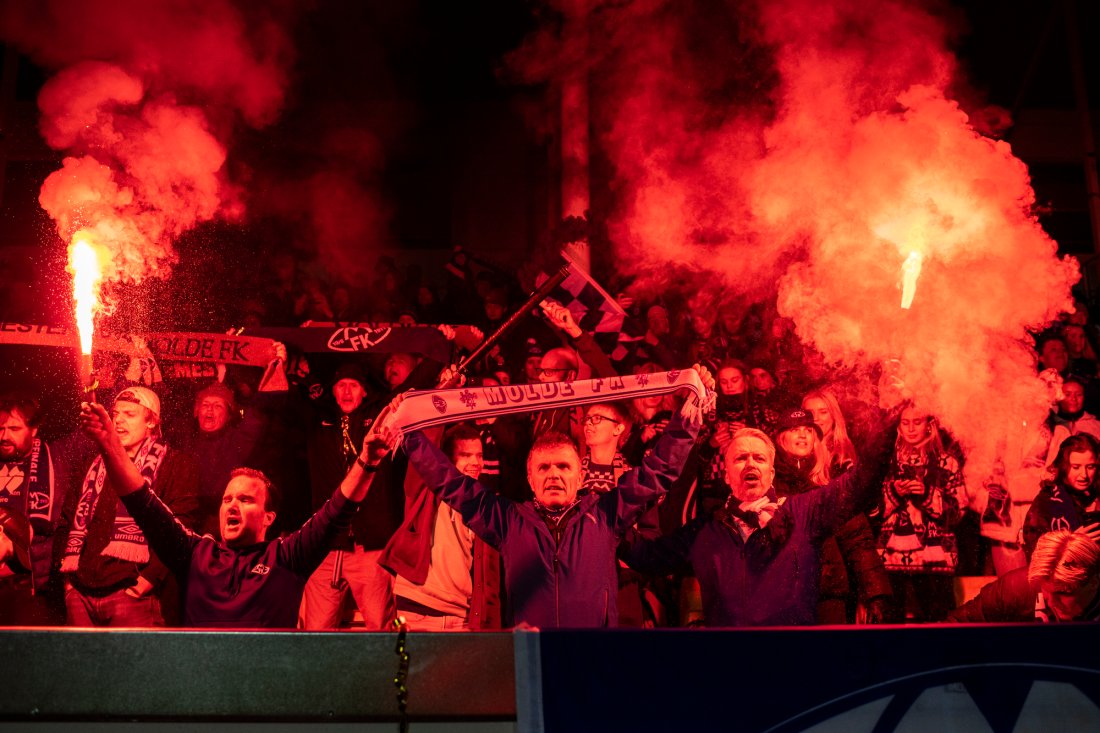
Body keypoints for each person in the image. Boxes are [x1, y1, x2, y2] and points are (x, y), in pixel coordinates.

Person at [387, 365, 711, 628]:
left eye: (563, 466)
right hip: (533, 661)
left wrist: (688, 414)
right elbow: (449, 482)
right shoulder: (507, 521)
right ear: (530, 478)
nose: (553, 474)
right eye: (543, 468)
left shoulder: (607, 514)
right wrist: (410, 434)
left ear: (580, 475)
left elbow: (658, 472)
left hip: (595, 662)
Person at [76, 400, 388, 628]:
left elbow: (336, 512)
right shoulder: (195, 554)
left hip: (262, 696)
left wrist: (367, 462)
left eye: (245, 499)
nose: (232, 505)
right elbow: (142, 502)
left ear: (268, 517)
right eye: (227, 499)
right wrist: (109, 444)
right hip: (203, 694)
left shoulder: (287, 557)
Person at [623, 417, 893, 627]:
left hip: (794, 664)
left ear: (771, 472)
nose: (751, 463)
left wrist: (888, 419)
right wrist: (606, 515)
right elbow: (648, 556)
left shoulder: (802, 513)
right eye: (741, 458)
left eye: (759, 458)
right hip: (732, 667)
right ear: (726, 475)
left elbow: (860, 484)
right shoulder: (705, 530)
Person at [58, 387, 202, 627]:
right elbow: (67, 517)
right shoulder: (93, 464)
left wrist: (149, 579)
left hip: (134, 593)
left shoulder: (176, 464)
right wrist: (69, 584)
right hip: (82, 593)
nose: (119, 420)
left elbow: (182, 527)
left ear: (151, 422)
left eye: (130, 414)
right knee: (81, 664)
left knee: (133, 664)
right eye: (116, 413)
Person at [771, 407, 891, 624]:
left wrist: (876, 594)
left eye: (808, 430)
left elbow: (857, 539)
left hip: (828, 595)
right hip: (782, 595)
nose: (802, 434)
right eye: (795, 429)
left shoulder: (829, 481)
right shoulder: (769, 485)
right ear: (781, 439)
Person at [383, 424, 501, 630]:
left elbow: (489, 581)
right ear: (445, 459)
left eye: (479, 455)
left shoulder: (484, 506)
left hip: (461, 617)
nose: (475, 462)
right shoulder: (425, 489)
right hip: (416, 611)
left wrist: (490, 628)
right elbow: (424, 447)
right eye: (465, 455)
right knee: (412, 664)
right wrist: (443, 394)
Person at [874, 403, 966, 622]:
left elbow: (959, 511)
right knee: (889, 630)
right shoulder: (884, 463)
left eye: (917, 422)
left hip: (934, 563)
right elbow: (870, 511)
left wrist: (927, 494)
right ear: (898, 427)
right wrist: (893, 493)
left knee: (936, 626)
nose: (911, 429)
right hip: (889, 561)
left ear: (929, 425)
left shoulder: (947, 463)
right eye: (905, 423)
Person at [0, 394, 68, 624]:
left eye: (14, 428)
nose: (4, 436)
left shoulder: (56, 458)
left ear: (34, 429)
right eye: (0, 428)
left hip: (26, 587)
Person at [947, 526, 1100, 623]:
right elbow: (951, 627)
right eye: (1045, 590)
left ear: (1094, 582)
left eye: (1063, 593)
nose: (1052, 603)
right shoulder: (1019, 586)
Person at [1023, 434, 1100, 556]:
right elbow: (1034, 547)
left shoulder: (1096, 496)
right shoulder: (1047, 500)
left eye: (1090, 467)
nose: (1084, 475)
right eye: (1076, 467)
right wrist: (1070, 544)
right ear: (1064, 467)